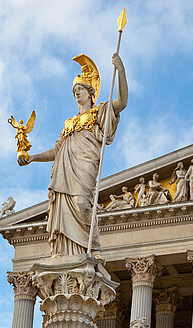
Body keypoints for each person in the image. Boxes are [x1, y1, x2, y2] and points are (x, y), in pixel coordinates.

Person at [17, 53, 128, 257]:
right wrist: (32, 158)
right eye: (74, 91)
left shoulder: (99, 113)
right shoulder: (69, 123)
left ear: (90, 92)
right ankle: (63, 251)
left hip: (84, 165)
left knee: (82, 203)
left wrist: (121, 70)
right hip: (63, 172)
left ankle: (92, 248)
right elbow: (56, 151)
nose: (77, 93)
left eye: (80, 89)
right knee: (62, 208)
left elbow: (121, 102)